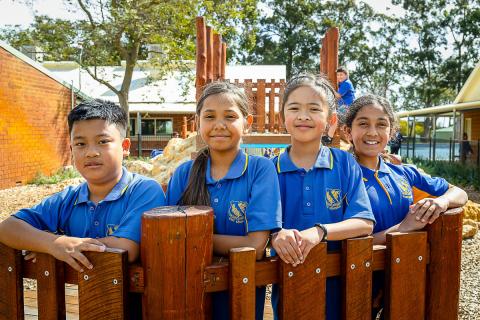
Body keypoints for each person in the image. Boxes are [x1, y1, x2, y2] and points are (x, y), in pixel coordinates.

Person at [0, 99, 166, 271]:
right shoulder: (68, 199)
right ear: (71, 150)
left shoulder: (144, 190)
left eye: (103, 141)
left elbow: (126, 247)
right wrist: (52, 244)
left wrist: (60, 247)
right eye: (80, 144)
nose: (91, 152)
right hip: (80, 297)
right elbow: (7, 228)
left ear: (125, 146)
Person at [166, 81, 282, 320]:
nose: (219, 125)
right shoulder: (184, 173)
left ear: (247, 124)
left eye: (230, 116)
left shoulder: (260, 169)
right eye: (209, 116)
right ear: (198, 122)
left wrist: (190, 238)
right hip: (190, 295)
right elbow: (169, 241)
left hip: (242, 297)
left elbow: (256, 246)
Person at [270, 74, 375, 320]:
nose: (303, 115)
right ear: (282, 117)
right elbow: (263, 227)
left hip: (340, 287)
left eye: (314, 109)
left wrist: (319, 232)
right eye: (294, 108)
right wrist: (276, 234)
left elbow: (364, 222)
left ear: (331, 121)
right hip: (288, 285)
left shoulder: (345, 163)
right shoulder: (268, 169)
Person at [343, 94, 467, 245]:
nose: (373, 132)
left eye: (381, 124)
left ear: (391, 133)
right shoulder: (341, 178)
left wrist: (442, 201)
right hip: (362, 267)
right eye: (363, 124)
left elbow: (460, 193)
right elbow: (345, 247)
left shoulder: (405, 173)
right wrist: (402, 228)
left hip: (412, 265)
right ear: (348, 131)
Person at [322, 66, 356, 145]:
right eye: (338, 75)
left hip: (348, 107)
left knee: (334, 117)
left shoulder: (346, 83)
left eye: (341, 75)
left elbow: (337, 96)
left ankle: (329, 138)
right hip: (344, 106)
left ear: (346, 75)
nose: (339, 77)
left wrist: (328, 88)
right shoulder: (342, 83)